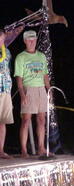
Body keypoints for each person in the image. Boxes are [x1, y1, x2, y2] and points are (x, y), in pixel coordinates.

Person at [14, 30, 51, 158]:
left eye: (33, 39)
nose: (32, 41)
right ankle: (24, 150)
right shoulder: (21, 57)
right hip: (28, 88)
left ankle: (41, 147)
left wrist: (49, 90)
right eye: (29, 39)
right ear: (25, 41)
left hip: (41, 89)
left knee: (41, 120)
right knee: (26, 120)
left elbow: (45, 75)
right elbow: (18, 78)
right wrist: (22, 94)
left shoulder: (41, 56)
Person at [0, 29, 14, 159]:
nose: (1, 41)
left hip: (5, 89)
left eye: (2, 39)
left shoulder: (7, 52)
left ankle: (1, 150)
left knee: (3, 121)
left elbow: (7, 69)